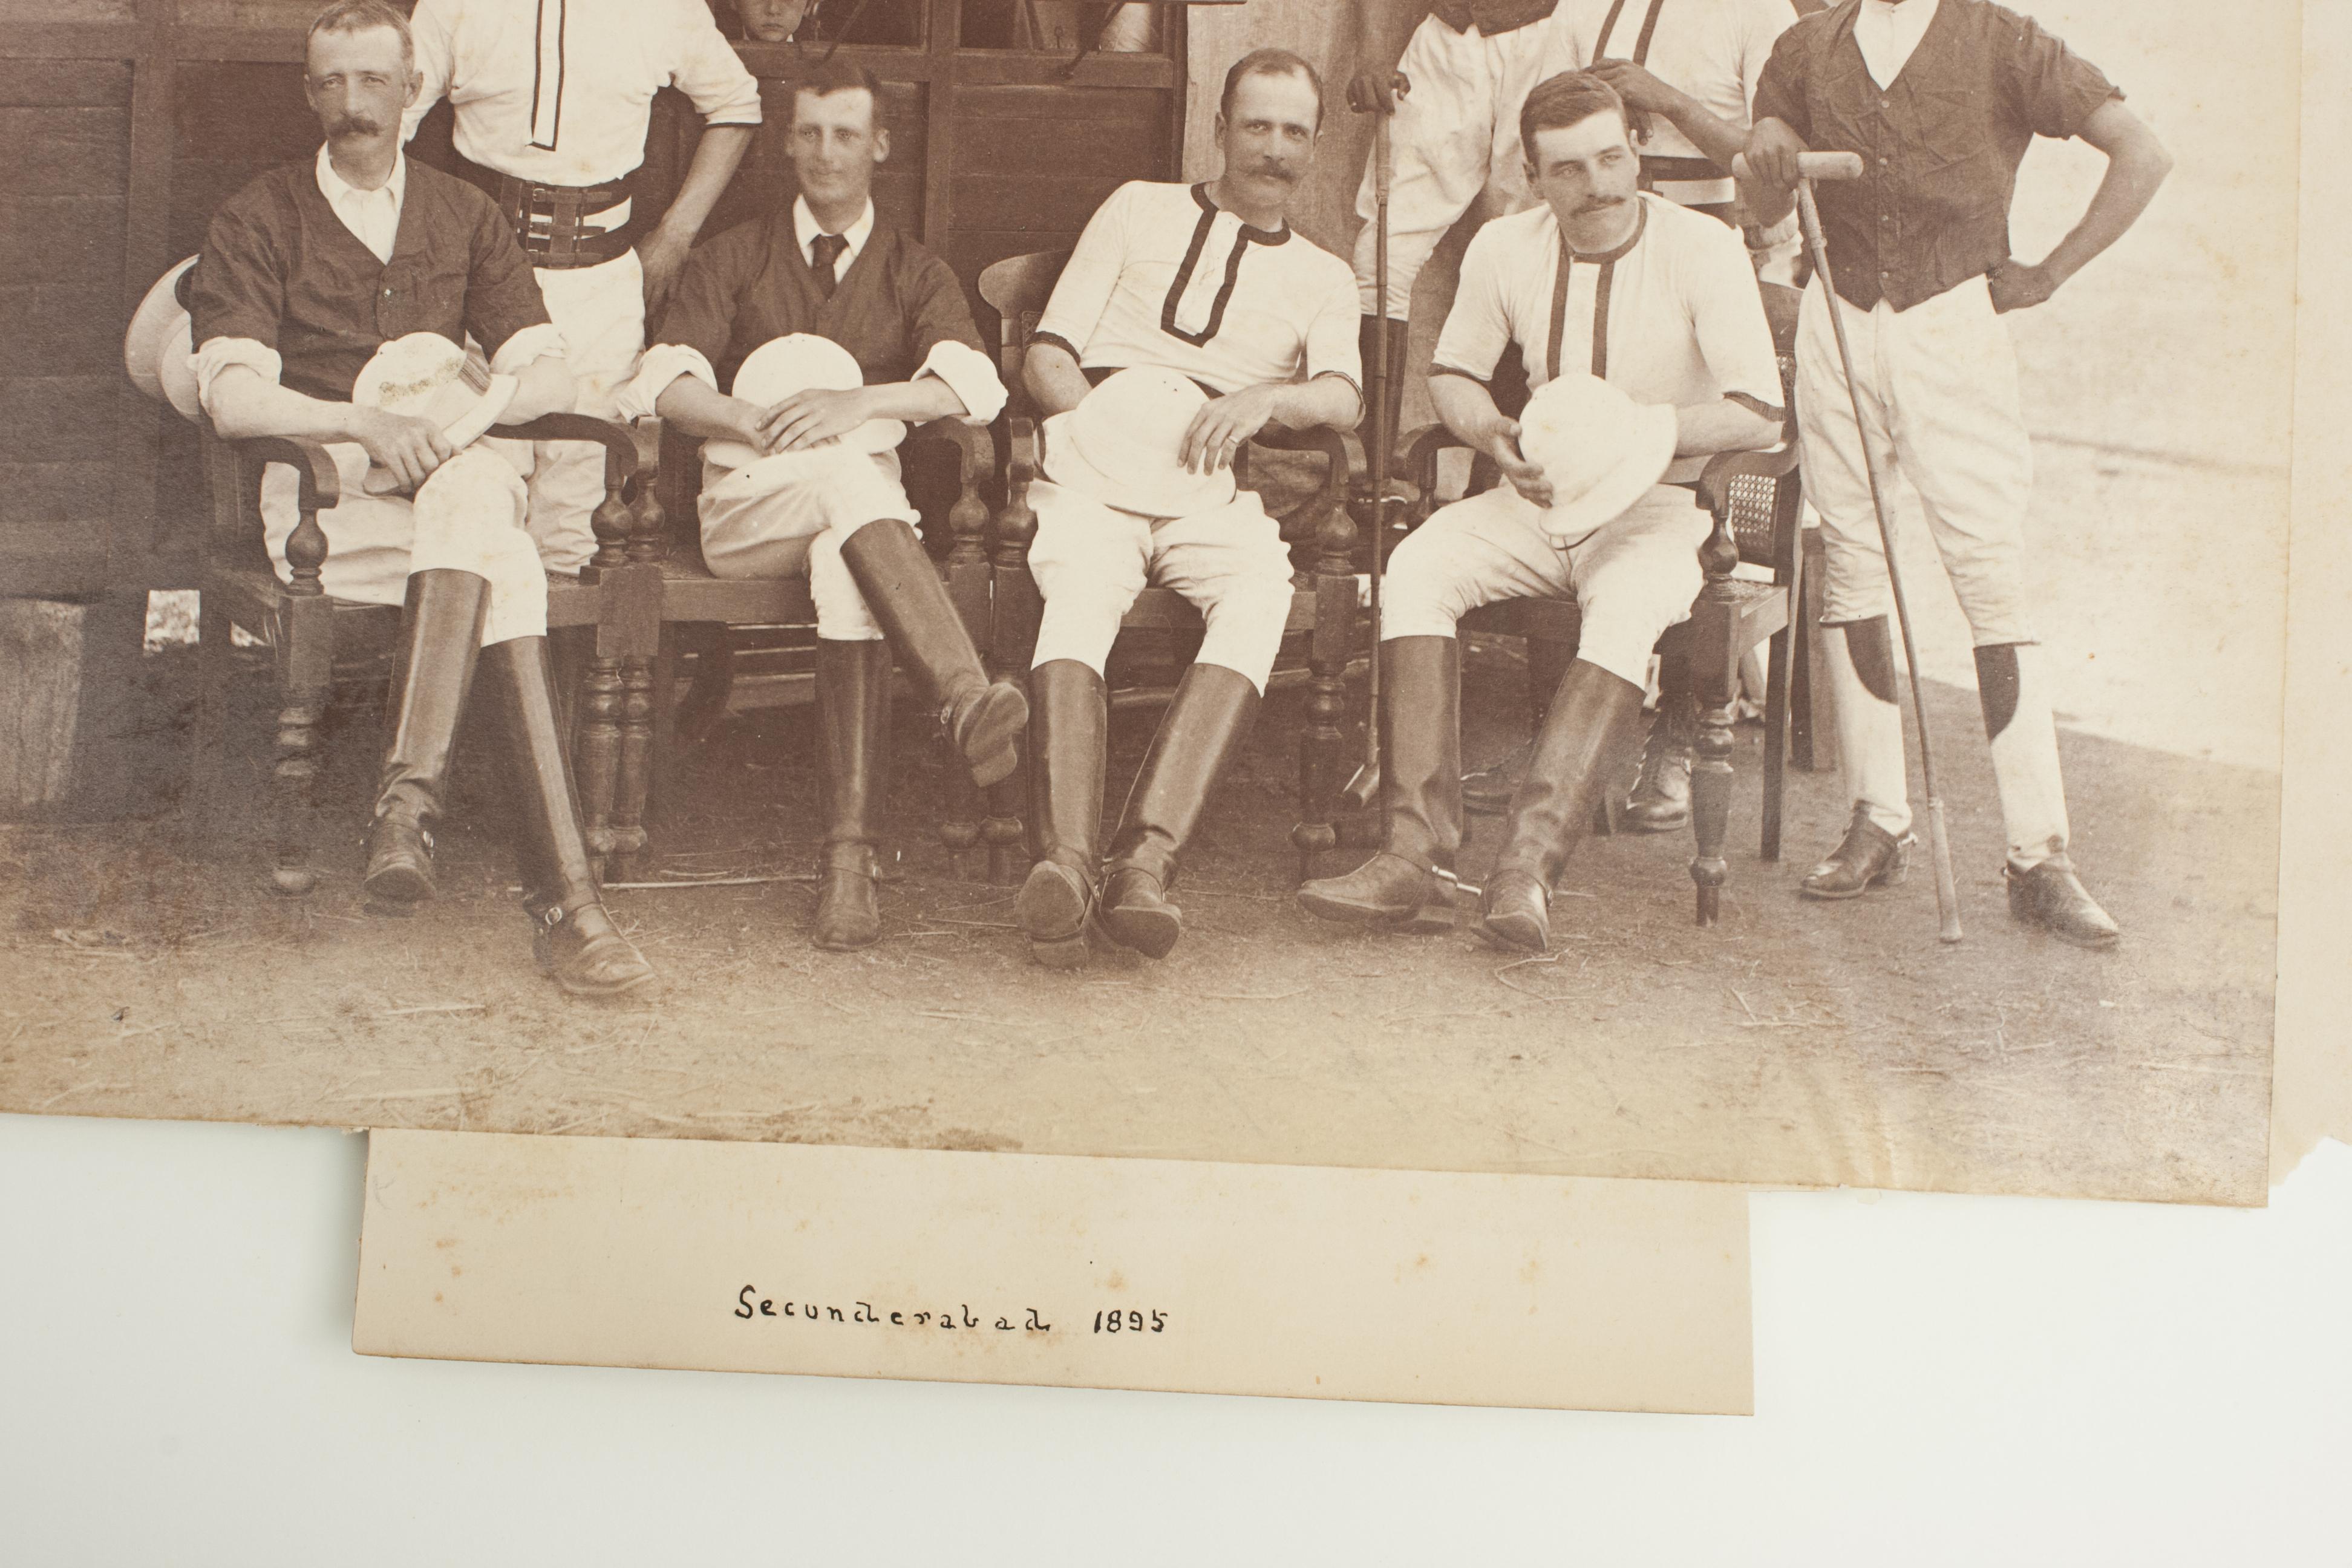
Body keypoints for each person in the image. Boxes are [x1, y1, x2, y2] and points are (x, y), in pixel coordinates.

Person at [188, 0, 655, 997]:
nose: (354, 105)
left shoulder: (462, 213)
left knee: (476, 494)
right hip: (327, 504)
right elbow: (229, 398)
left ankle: (409, 814)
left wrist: (458, 420)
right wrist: (363, 428)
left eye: (373, 81)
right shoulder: (259, 215)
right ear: (309, 93)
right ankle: (564, 907)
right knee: (499, 539)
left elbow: (547, 374)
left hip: (445, 489)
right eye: (332, 83)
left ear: (412, 89)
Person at [1296, 70, 1783, 953]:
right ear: (1531, 175)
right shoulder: (1504, 248)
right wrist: (1492, 435)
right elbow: (1453, 374)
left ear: (1637, 149)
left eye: (1609, 159)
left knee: (1629, 605)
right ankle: (1417, 853)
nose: (1595, 187)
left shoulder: (1701, 247)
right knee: (1417, 568)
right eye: (1567, 171)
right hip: (1538, 496)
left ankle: (1525, 872)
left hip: (1661, 504)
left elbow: (1759, 409)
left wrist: (1635, 438)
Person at [1743, 0, 2171, 947]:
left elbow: (2141, 153)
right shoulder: (1806, 46)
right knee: (1852, 561)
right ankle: (1876, 821)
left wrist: (2047, 275)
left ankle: (2039, 855)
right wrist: (1769, 157)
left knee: (1988, 575)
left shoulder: (2005, 40)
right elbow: (1762, 195)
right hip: (1837, 321)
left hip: (1953, 326)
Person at [616, 59, 1021, 953]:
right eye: (809, 133)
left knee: (849, 553)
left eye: (846, 134)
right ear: (789, 143)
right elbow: (661, 381)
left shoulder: (912, 269)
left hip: (853, 532)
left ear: (879, 145)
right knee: (856, 486)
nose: (826, 154)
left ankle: (847, 864)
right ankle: (959, 692)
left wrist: (862, 404)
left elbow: (975, 387)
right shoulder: (735, 255)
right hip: (746, 515)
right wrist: (749, 419)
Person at [1015, 48, 1362, 969]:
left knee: (1257, 592)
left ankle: (1145, 868)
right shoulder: (1139, 207)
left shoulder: (1326, 275)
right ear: (1219, 128)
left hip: (1212, 480)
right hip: (1099, 455)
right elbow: (1048, 352)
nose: (1274, 150)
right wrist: (1098, 420)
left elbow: (1342, 396)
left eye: (1295, 132)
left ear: (1317, 147)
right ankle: (1066, 860)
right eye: (1257, 125)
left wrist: (1267, 403)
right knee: (1081, 590)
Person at [1527, 0, 1802, 834]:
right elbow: (1547, 112)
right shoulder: (1582, 6)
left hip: (1707, 231)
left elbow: (1770, 169)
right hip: (1592, 232)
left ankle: (1676, 739)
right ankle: (1569, 744)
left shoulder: (1757, 14)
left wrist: (1670, 101)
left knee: (1691, 496)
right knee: (1581, 452)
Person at [400, 0, 762, 580]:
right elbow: (392, 112)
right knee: (480, 491)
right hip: (483, 281)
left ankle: (565, 672)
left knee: (582, 512)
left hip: (601, 282)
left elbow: (737, 104)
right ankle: (490, 668)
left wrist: (676, 232)